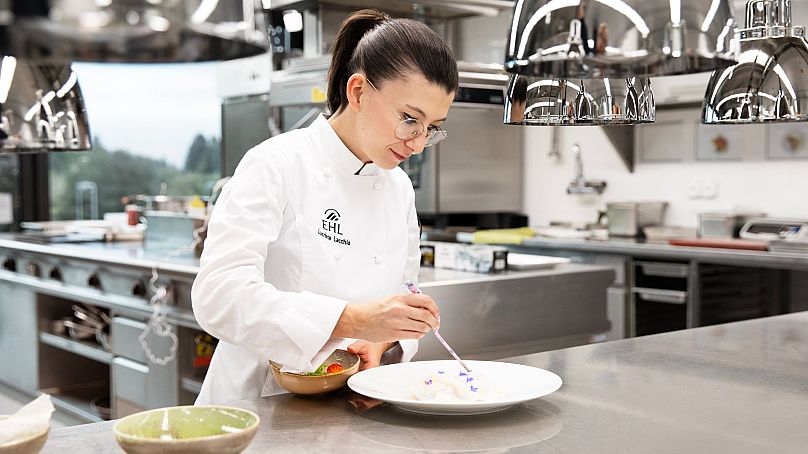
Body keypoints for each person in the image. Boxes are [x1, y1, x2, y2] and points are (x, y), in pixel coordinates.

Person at [191, 9, 459, 404]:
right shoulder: (277, 163)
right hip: (258, 407)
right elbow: (219, 296)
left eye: (432, 128)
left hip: (349, 405)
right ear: (358, 91)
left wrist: (382, 340)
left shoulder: (398, 186)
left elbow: (402, 291)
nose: (418, 143)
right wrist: (353, 320)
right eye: (409, 119)